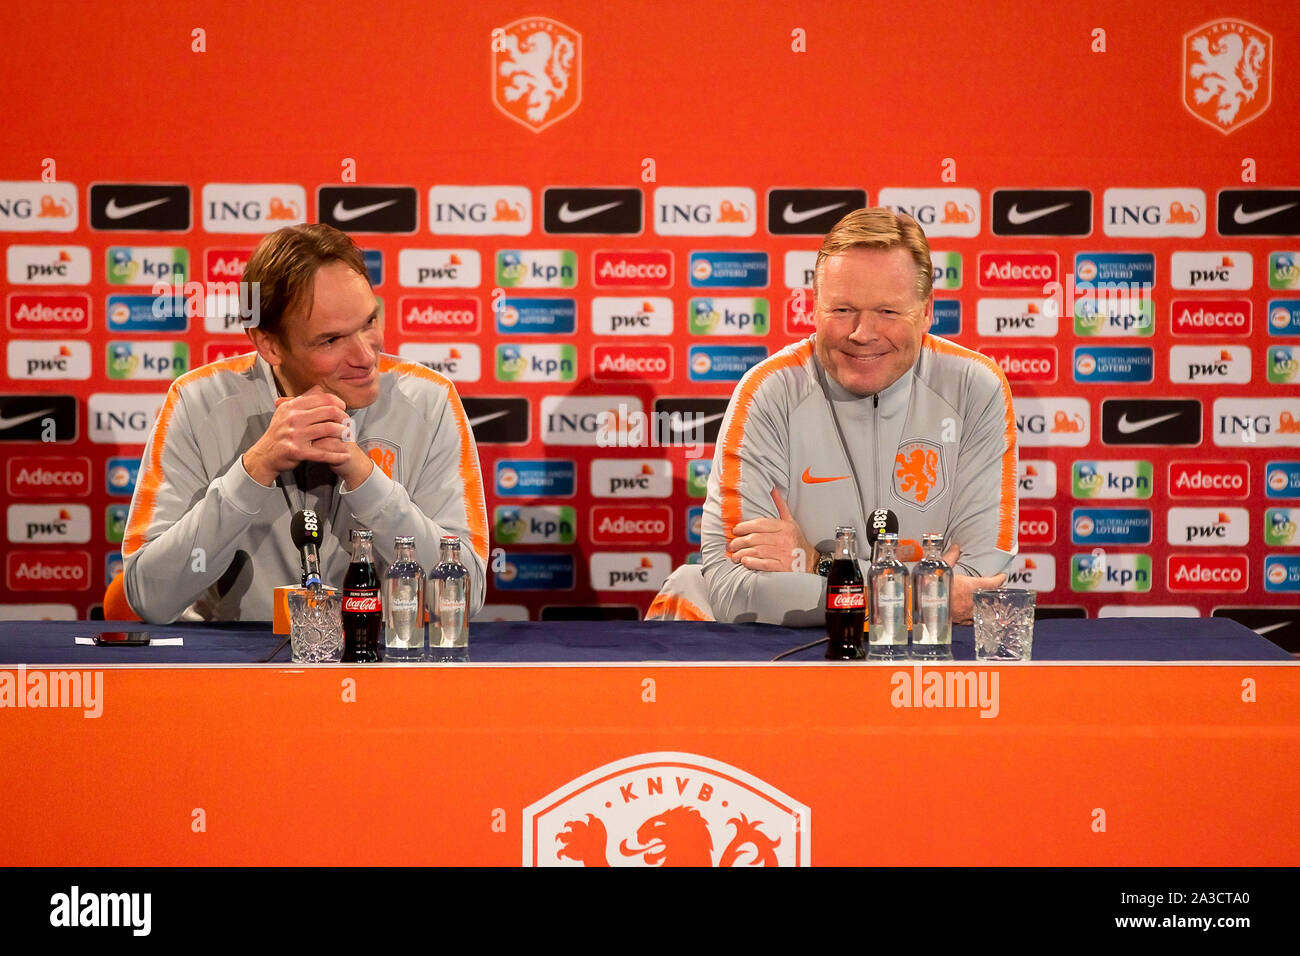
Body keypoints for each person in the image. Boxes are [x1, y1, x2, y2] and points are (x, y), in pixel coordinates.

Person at [121, 224, 488, 623]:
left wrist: (367, 480)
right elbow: (150, 597)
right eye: (331, 341)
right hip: (235, 668)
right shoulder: (196, 402)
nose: (365, 357)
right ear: (269, 344)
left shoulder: (430, 402)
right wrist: (253, 469)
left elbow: (462, 597)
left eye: (369, 323)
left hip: (377, 664)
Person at [699, 208, 1017, 626]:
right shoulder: (769, 392)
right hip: (796, 668)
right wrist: (922, 595)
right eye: (842, 309)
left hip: (927, 671)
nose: (863, 333)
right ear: (813, 308)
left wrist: (814, 564)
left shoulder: (977, 389)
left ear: (925, 312)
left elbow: (978, 584)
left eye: (888, 311)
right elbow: (733, 591)